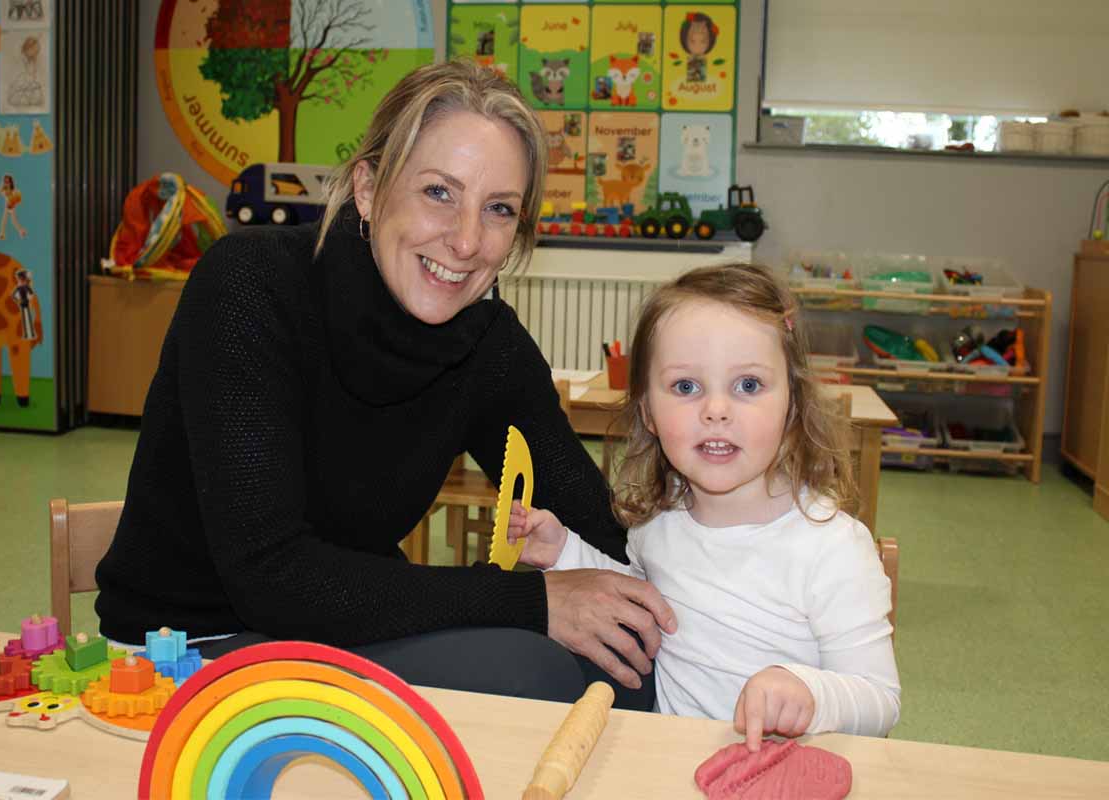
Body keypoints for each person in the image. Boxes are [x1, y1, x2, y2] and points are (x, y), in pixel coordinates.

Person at [94, 59, 674, 710]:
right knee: (536, 673)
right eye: (439, 192)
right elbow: (271, 576)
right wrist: (531, 601)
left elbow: (595, 521)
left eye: (499, 209)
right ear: (368, 189)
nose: (466, 240)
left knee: (628, 660)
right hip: (182, 650)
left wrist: (724, 561)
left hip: (342, 629)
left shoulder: (488, 343)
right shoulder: (251, 286)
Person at [508, 263, 900, 747]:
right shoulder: (660, 523)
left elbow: (880, 700)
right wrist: (565, 551)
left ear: (792, 406)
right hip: (672, 761)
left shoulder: (832, 548)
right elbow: (641, 600)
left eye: (748, 385)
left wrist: (809, 692)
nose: (716, 410)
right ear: (649, 412)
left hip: (784, 771)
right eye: (686, 387)